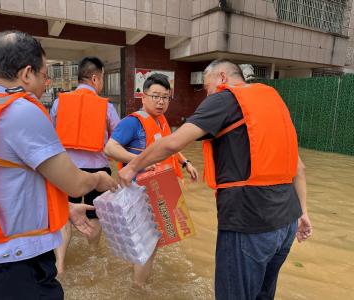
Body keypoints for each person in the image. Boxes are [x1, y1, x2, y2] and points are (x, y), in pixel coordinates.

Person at [117, 60, 313, 299]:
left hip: (248, 221)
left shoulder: (225, 99)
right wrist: (303, 212)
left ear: (222, 77)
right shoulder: (273, 102)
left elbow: (172, 143)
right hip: (287, 221)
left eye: (207, 88)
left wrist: (131, 167)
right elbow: (298, 166)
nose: (207, 96)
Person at [0, 31, 117, 300]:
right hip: (12, 265)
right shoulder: (21, 110)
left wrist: (64, 207)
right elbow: (75, 182)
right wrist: (100, 178)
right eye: (44, 75)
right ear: (27, 73)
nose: (45, 83)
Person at [104, 73, 199, 287]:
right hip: (138, 193)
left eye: (165, 97)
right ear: (143, 96)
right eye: (155, 96)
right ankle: (139, 288)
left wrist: (186, 163)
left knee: (151, 240)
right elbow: (110, 148)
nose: (160, 101)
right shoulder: (132, 123)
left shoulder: (161, 120)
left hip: (158, 191)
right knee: (149, 243)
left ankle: (139, 277)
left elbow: (169, 146)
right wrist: (140, 161)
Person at [50, 57, 120, 273]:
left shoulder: (58, 102)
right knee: (93, 214)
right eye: (102, 79)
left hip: (65, 170)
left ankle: (59, 264)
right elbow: (116, 140)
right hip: (98, 170)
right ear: (95, 78)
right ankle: (92, 255)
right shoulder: (106, 107)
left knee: (63, 214)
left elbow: (51, 134)